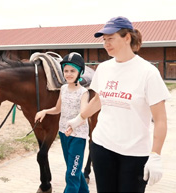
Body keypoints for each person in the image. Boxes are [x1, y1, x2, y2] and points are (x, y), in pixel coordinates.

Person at [67, 16, 171, 193]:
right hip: (102, 147)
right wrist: (79, 118)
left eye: (111, 38)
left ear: (127, 38)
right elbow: (99, 99)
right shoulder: (104, 68)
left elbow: (160, 119)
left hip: (135, 154)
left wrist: (155, 155)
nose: (106, 43)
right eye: (104, 40)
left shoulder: (148, 72)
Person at [35, 52, 90, 193]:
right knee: (74, 170)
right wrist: (45, 111)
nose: (68, 74)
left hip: (78, 137)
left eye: (72, 71)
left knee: (71, 175)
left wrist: (74, 125)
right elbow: (58, 109)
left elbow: (83, 115)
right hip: (64, 135)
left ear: (80, 72)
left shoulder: (84, 92)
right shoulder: (63, 89)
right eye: (66, 70)